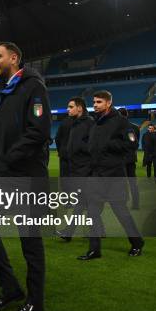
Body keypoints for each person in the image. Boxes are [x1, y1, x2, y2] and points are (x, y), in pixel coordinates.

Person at [0, 42, 51, 311]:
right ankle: (10, 288)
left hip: (26, 176)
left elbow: (38, 132)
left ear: (14, 57)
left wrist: (7, 161)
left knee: (30, 241)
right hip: (2, 176)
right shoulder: (8, 91)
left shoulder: (33, 87)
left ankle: (36, 301)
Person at [78, 90, 144, 260]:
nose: (95, 105)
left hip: (114, 175)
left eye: (99, 102)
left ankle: (137, 242)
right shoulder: (96, 122)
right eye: (94, 102)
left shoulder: (121, 122)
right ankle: (94, 250)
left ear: (108, 103)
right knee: (92, 212)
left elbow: (132, 144)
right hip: (96, 175)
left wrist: (108, 145)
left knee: (120, 211)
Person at [56, 97, 94, 239]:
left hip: (86, 169)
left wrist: (79, 150)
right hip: (77, 168)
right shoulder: (75, 123)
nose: (68, 109)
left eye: (71, 106)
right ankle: (70, 232)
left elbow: (93, 145)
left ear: (80, 108)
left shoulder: (89, 123)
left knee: (86, 202)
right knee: (84, 202)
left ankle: (69, 232)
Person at [118, 108, 140, 209]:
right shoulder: (135, 127)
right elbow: (135, 143)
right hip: (130, 158)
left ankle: (122, 202)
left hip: (120, 159)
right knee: (132, 182)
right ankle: (135, 203)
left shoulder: (115, 127)